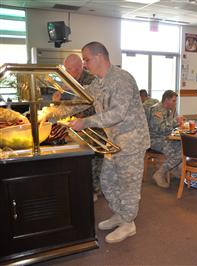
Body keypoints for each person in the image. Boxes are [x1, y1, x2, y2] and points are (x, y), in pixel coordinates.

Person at [39, 41, 150, 244]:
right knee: (107, 181)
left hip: (132, 141)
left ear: (99, 57)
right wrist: (50, 114)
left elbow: (117, 113)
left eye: (87, 59)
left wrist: (86, 122)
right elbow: (79, 102)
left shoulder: (122, 79)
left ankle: (128, 223)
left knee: (128, 184)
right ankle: (120, 214)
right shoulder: (98, 83)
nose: (85, 64)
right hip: (113, 141)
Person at [55, 54, 104, 201]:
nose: (66, 71)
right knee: (80, 159)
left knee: (93, 159)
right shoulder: (71, 80)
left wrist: (62, 110)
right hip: (78, 124)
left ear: (77, 69)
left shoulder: (91, 80)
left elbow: (91, 106)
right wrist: (60, 96)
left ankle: (94, 190)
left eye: (68, 69)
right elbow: (69, 99)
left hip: (94, 125)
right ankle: (85, 186)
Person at [148, 90, 183, 188]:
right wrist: (175, 121)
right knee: (179, 152)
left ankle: (173, 168)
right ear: (166, 100)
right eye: (173, 101)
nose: (175, 103)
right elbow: (160, 129)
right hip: (154, 140)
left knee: (183, 147)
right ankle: (160, 173)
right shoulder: (157, 110)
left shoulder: (167, 110)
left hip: (164, 138)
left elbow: (168, 128)